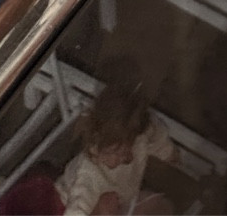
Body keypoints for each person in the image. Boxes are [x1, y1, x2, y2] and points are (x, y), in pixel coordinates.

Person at [55, 78, 175, 216]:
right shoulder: (88, 177)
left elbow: (156, 135)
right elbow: (75, 211)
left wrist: (168, 153)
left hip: (123, 198)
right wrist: (97, 212)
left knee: (164, 207)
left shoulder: (140, 135)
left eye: (123, 152)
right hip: (69, 205)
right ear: (96, 140)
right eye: (110, 152)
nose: (116, 159)